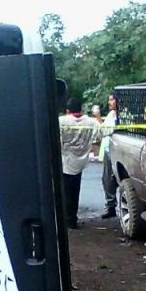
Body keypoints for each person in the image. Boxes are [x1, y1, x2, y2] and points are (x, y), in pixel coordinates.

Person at [58, 97, 94, 229]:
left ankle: (68, 219)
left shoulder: (61, 121)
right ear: (81, 109)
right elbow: (105, 131)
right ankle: (72, 218)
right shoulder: (91, 122)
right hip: (81, 161)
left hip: (65, 160)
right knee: (75, 191)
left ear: (67, 110)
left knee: (66, 192)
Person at [98, 93, 119, 218]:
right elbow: (104, 130)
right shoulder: (111, 115)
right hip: (108, 149)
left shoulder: (124, 115)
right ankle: (110, 206)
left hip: (118, 150)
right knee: (107, 180)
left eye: (111, 99)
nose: (109, 102)